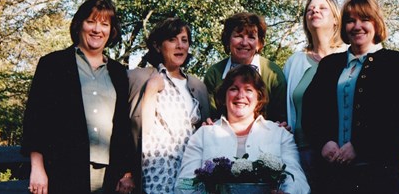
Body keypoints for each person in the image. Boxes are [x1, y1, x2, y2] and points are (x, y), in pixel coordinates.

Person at [302, 0, 399, 194]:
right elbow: (311, 110)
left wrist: (360, 146)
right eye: (350, 20)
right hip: (333, 173)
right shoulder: (330, 65)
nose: (357, 26)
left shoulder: (395, 63)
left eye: (364, 19)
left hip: (378, 172)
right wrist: (324, 143)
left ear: (376, 23)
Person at [21, 0, 135, 194]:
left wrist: (126, 172)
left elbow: (124, 126)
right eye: (90, 21)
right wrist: (37, 168)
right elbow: (35, 119)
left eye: (104, 24)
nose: (97, 30)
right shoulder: (53, 64)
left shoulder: (118, 73)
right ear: (79, 24)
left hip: (109, 176)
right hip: (63, 170)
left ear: (111, 30)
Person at [177, 64, 310, 194]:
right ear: (224, 97)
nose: (240, 95)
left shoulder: (280, 134)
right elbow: (183, 183)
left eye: (248, 90)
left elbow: (298, 182)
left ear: (259, 98)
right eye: (234, 89)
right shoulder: (203, 135)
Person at [128, 17, 209, 194]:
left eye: (184, 40)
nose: (180, 45)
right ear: (157, 46)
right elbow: (129, 130)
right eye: (172, 39)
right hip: (155, 176)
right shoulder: (138, 78)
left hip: (189, 175)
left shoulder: (199, 87)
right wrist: (151, 90)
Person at [283, 0, 345, 189]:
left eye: (321, 8)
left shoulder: (348, 56)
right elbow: (283, 107)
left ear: (336, 19)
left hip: (341, 152)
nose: (314, 11)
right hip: (302, 153)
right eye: (310, 10)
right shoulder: (294, 62)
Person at [203, 12, 287, 122]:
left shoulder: (273, 73)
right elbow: (211, 117)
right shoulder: (214, 73)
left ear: (259, 43)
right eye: (238, 36)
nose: (244, 43)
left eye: (251, 37)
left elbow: (281, 118)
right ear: (228, 40)